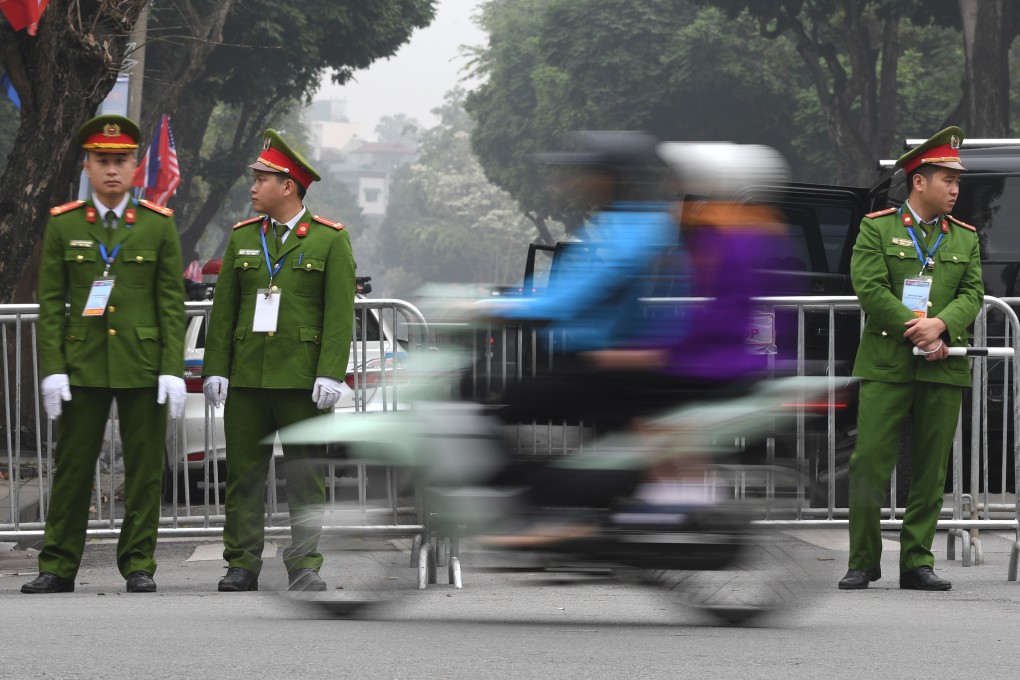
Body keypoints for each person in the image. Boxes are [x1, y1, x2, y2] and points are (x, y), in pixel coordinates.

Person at [23, 114, 186, 594]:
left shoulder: (157, 227)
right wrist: (53, 370)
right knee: (72, 469)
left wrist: (171, 370)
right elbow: (51, 306)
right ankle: (57, 565)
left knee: (143, 471)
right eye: (102, 160)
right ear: (88, 165)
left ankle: (139, 563)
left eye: (121, 160)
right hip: (83, 365)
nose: (112, 170)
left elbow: (170, 305)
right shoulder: (64, 224)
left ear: (136, 166)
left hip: (142, 365)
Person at [202, 129, 356, 593]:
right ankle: (241, 564)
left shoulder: (330, 240)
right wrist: (215, 367)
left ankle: (305, 564)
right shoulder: (244, 238)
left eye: (261, 178)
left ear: (287, 185)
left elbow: (338, 315)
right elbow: (224, 308)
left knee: (306, 476)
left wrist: (331, 372)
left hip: (301, 379)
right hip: (249, 376)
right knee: (243, 477)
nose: (253, 187)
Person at [839, 127, 983, 591]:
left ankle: (917, 562)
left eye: (957, 181)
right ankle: (863, 560)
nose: (956, 189)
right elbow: (869, 287)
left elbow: (973, 292)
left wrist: (939, 326)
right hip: (886, 362)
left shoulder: (964, 237)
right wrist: (915, 327)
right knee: (868, 462)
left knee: (930, 468)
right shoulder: (876, 227)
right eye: (947, 179)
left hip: (943, 360)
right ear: (919, 181)